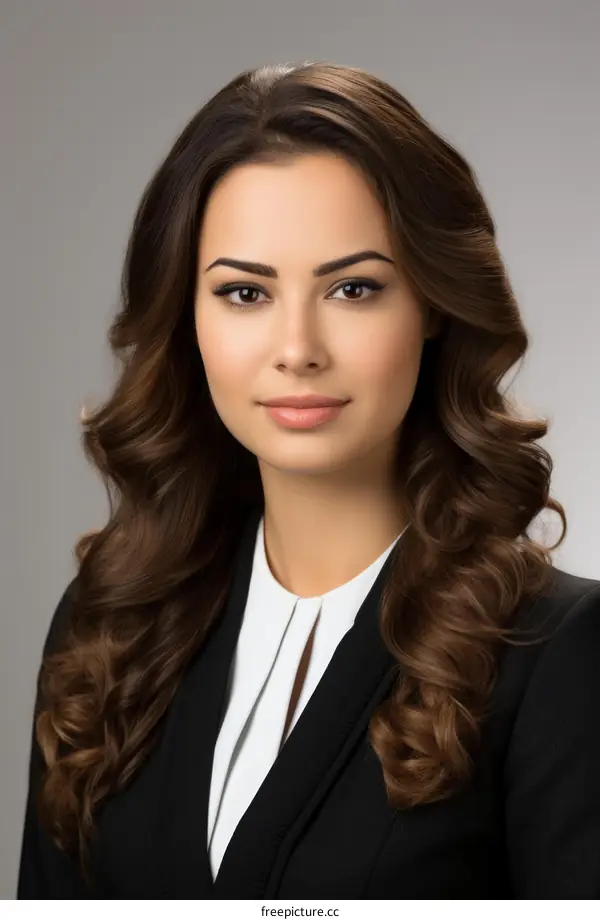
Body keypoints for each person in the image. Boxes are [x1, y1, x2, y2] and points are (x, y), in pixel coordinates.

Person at [17, 60, 600, 900]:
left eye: (353, 288)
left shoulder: (553, 657)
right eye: (245, 292)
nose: (297, 348)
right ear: (187, 316)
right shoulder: (106, 630)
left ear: (433, 304)